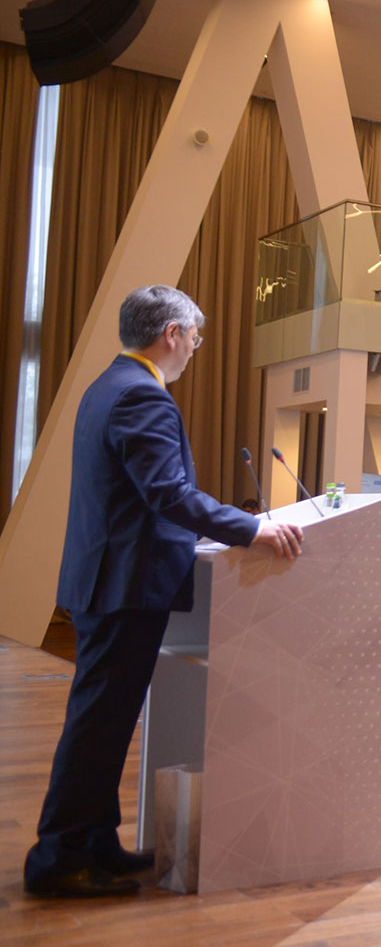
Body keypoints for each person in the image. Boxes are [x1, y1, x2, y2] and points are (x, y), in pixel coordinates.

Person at [25, 286, 303, 899]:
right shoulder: (142, 395)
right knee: (98, 726)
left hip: (111, 580)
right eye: (194, 338)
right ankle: (59, 858)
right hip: (125, 586)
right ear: (172, 333)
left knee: (104, 722)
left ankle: (94, 843)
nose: (195, 349)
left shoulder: (108, 385)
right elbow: (167, 494)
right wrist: (250, 527)